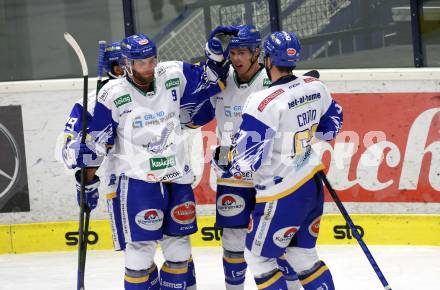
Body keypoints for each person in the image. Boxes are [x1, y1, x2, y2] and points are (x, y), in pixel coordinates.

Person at [65, 33, 230, 290]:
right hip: (137, 182)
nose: (149, 68)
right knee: (140, 252)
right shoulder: (111, 95)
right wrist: (86, 176)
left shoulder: (172, 74)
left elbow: (208, 81)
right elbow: (96, 145)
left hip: (177, 177)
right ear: (128, 65)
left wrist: (216, 56)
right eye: (141, 64)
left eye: (152, 61)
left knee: (179, 249)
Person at [214, 31, 343, 289]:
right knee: (302, 255)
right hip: (311, 184)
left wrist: (223, 157)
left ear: (269, 59)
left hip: (281, 191)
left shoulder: (262, 102)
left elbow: (247, 162)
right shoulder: (315, 86)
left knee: (257, 258)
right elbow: (331, 129)